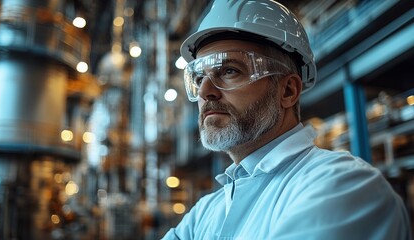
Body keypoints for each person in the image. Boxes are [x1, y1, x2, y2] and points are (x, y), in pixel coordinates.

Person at [162, 0, 412, 239]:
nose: (206, 91)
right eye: (198, 79)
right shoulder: (205, 212)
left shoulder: (344, 185)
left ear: (288, 91)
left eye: (229, 71)